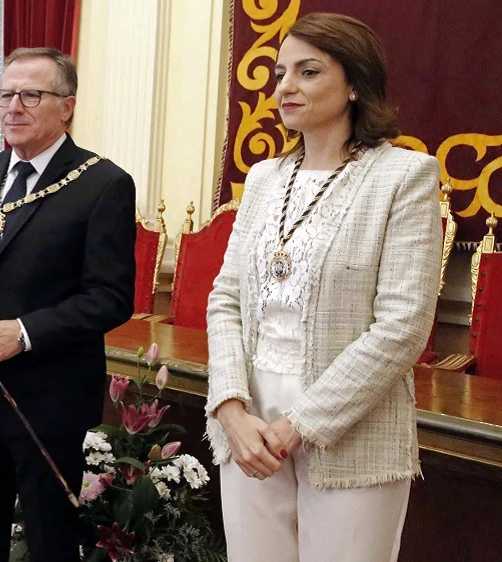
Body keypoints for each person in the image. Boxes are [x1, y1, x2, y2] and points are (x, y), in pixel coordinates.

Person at [204, 12, 441, 562]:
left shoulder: (404, 176)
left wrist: (300, 426)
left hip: (351, 424)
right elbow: (226, 299)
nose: (285, 86)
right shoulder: (264, 178)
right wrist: (232, 411)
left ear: (355, 83)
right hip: (251, 419)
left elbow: (402, 327)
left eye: (308, 72)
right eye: (281, 72)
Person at [0, 47, 136, 561]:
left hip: (50, 397)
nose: (12, 107)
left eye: (30, 95)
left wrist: (21, 332)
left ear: (66, 106)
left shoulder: (103, 183)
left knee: (49, 539)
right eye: (5, 94)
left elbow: (110, 299)